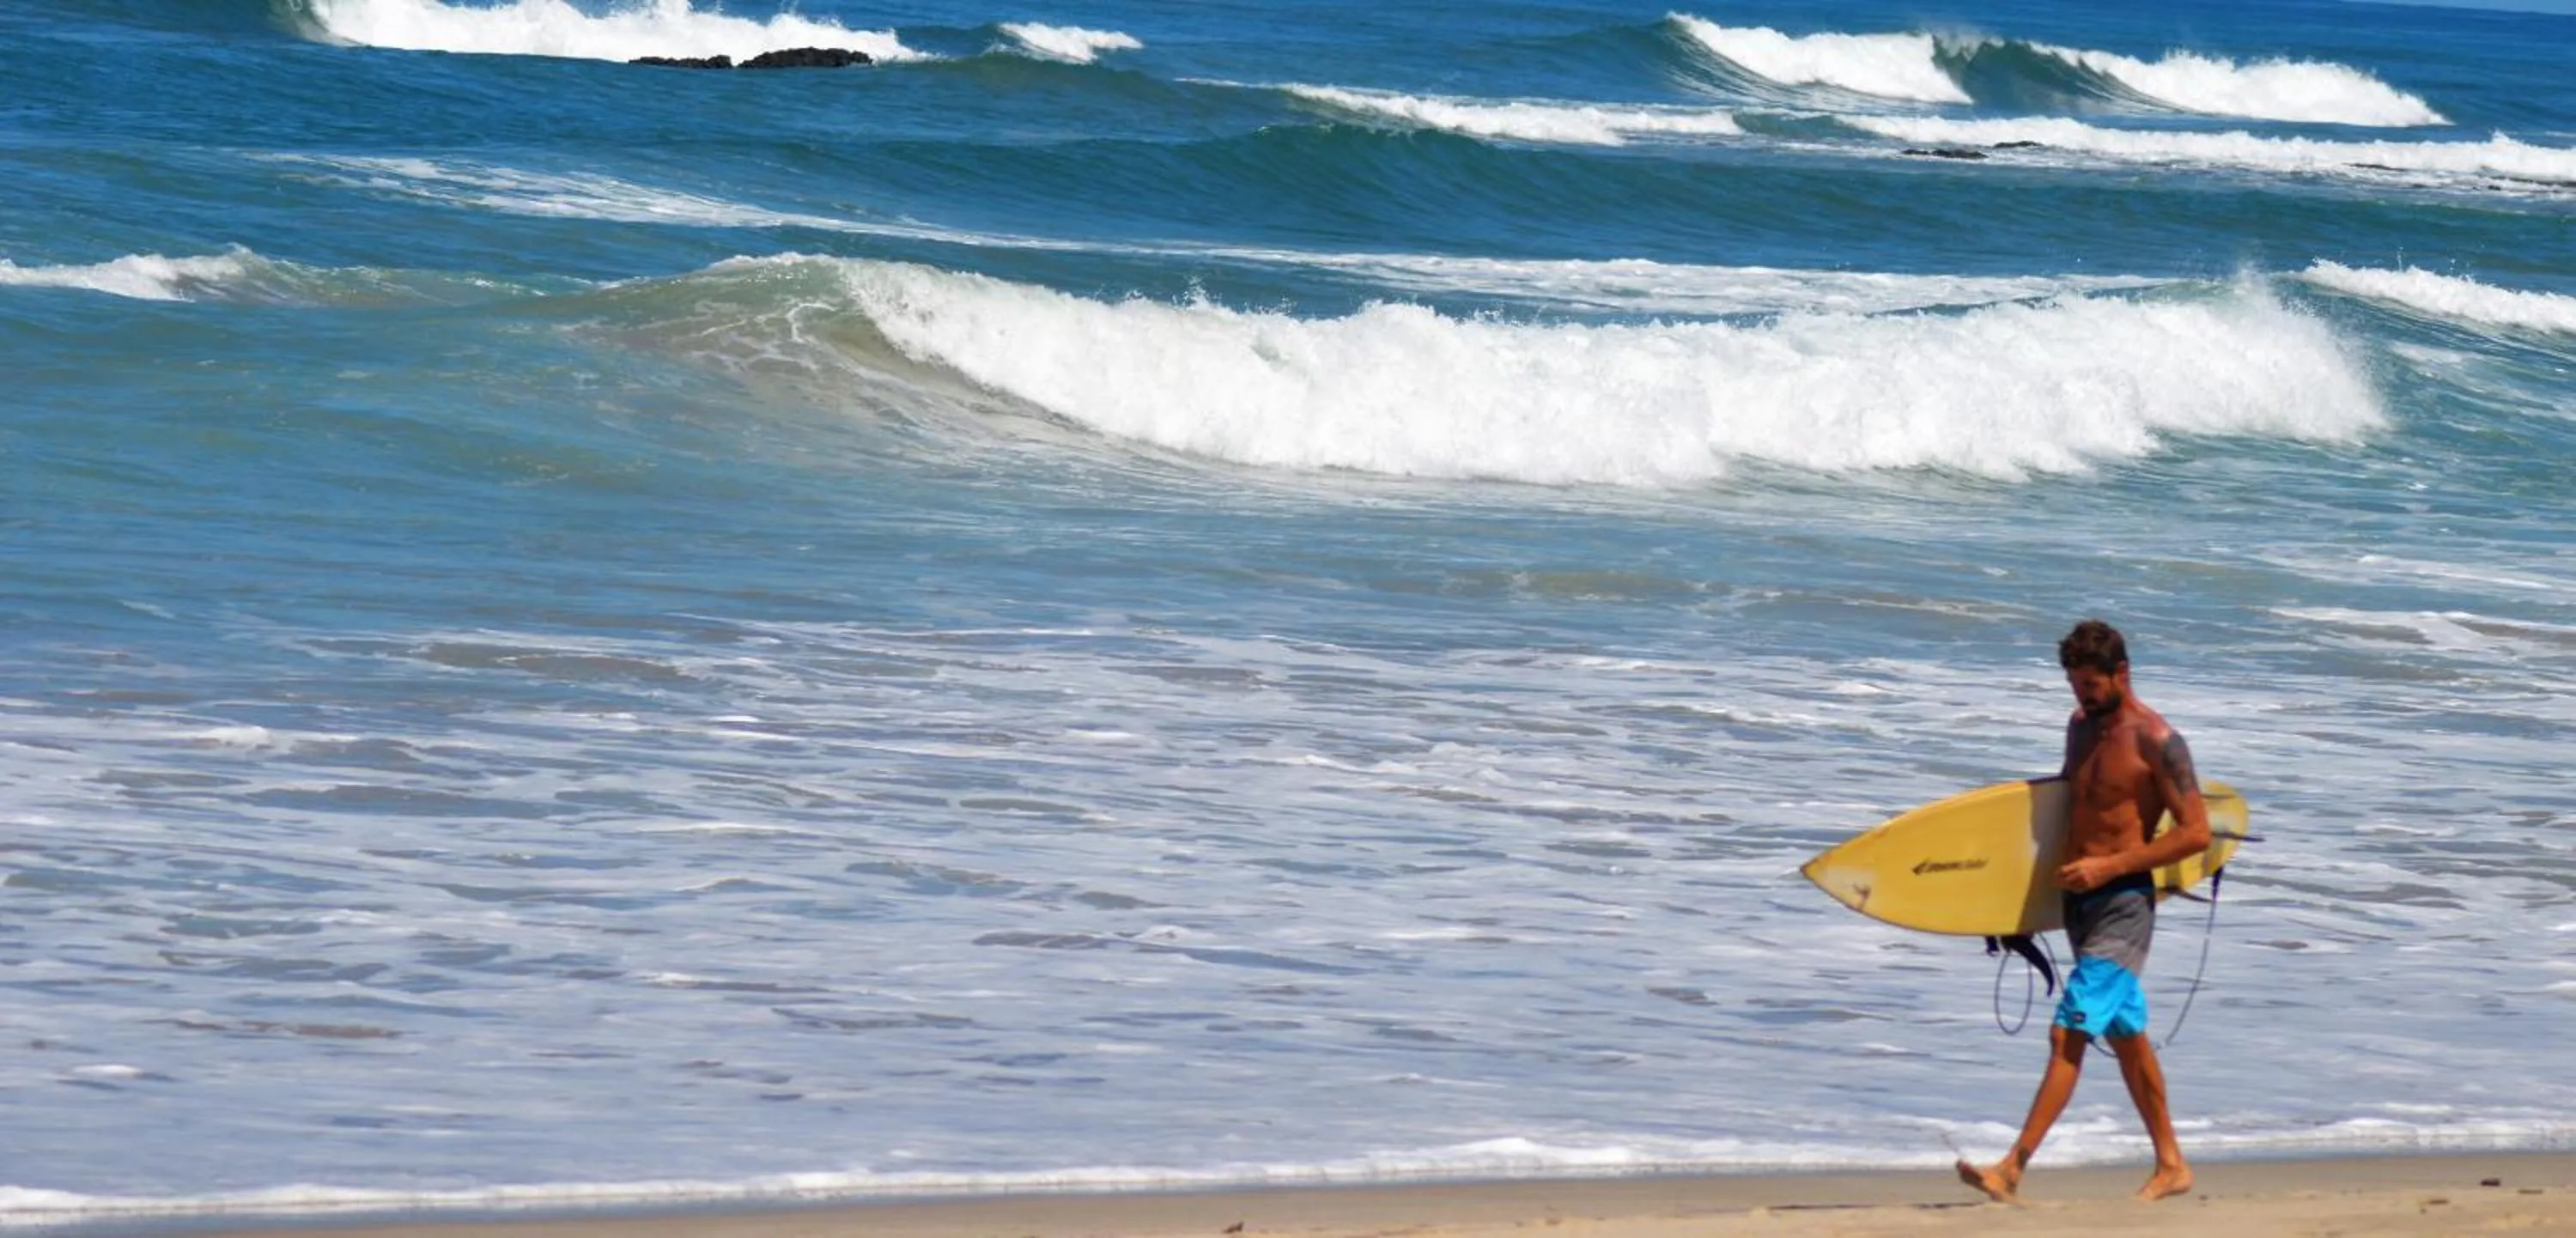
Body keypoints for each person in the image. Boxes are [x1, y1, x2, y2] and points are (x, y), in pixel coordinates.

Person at [1957, 619, 2212, 1205]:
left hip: (2125, 905)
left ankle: (2012, 1167)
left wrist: (2111, 866)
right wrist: (2016, 904)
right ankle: (2172, 1164)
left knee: (2068, 1030)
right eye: (2075, 686)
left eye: (2092, 686)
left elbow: (2195, 834)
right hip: (2078, 903)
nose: (2083, 697)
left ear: (2121, 673)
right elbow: (2064, 819)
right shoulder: (2080, 728)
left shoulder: (2158, 741)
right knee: (2127, 1037)